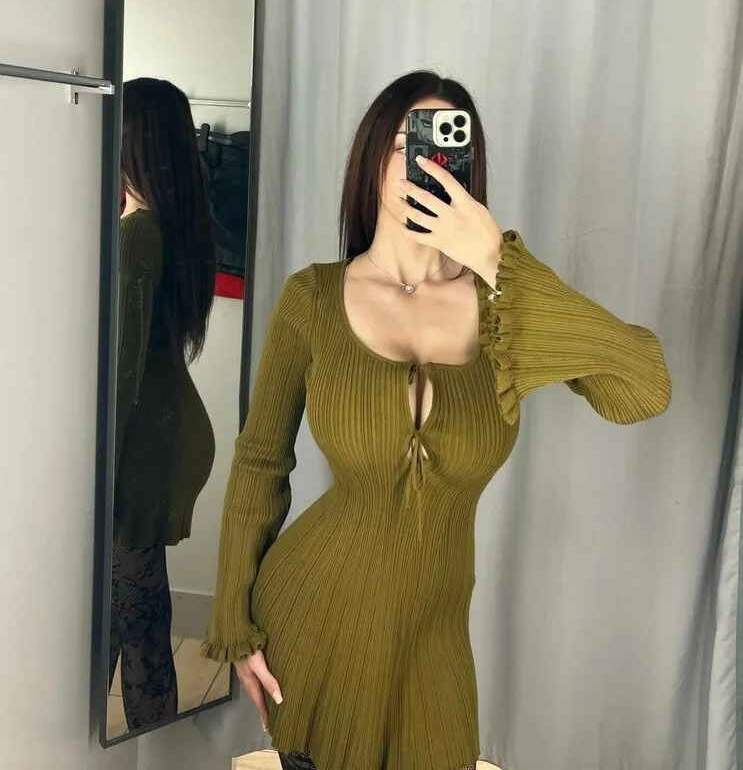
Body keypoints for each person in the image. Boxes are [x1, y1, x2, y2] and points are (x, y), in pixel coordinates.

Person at [202, 71, 672, 770]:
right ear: (370, 160)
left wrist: (496, 260)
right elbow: (261, 459)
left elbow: (642, 388)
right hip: (314, 611)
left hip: (435, 633)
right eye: (400, 144)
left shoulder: (504, 309)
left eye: (439, 146)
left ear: (465, 169)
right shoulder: (313, 298)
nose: (418, 162)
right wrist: (236, 621)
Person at [110, 77, 217, 731]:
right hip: (166, 432)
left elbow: (119, 378)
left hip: (146, 444)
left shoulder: (137, 235)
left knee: (138, 622)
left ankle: (151, 748)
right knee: (130, 611)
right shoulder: (173, 226)